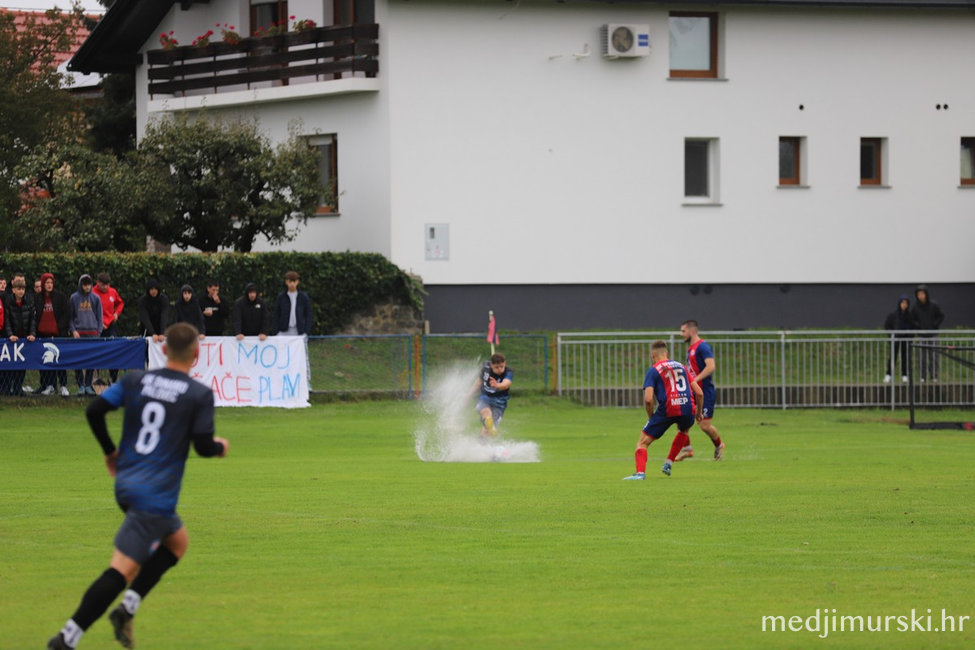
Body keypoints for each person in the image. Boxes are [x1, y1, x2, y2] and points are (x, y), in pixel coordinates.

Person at [46, 323, 229, 650]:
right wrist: (219, 447)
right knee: (122, 569)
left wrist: (110, 452)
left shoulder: (136, 380)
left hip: (127, 481)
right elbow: (203, 446)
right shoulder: (198, 394)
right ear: (197, 353)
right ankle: (66, 638)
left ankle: (127, 609)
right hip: (153, 494)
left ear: (164, 349)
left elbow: (95, 410)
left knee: (177, 542)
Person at [623, 340, 703, 480]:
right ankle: (668, 463)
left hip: (668, 408)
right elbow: (699, 393)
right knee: (684, 430)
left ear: (652, 355)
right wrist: (699, 412)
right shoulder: (682, 367)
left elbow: (648, 399)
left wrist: (651, 417)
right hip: (688, 407)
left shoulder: (653, 370)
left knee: (642, 443)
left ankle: (640, 473)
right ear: (667, 353)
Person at [674, 320, 725, 461]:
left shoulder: (702, 347)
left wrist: (695, 380)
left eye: (683, 331)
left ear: (692, 331)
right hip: (692, 392)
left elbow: (711, 366)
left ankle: (719, 445)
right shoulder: (691, 348)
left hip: (705, 392)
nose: (681, 334)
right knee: (680, 416)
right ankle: (687, 449)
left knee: (704, 425)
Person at [37, 272, 72, 396]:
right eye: (47, 282)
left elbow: (66, 313)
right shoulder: (38, 298)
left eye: (51, 282)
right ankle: (50, 385)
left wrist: (59, 326)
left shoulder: (60, 296)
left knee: (60, 360)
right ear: (43, 284)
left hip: (58, 335)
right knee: (47, 361)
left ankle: (63, 385)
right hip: (43, 335)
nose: (49, 285)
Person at [2, 278, 37, 395]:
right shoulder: (8, 302)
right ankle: (6, 388)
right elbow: (7, 321)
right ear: (13, 290)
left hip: (24, 339)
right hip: (12, 339)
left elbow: (33, 320)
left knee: (22, 365)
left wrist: (32, 334)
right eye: (18, 289)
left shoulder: (29, 302)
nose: (21, 291)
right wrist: (10, 335)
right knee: (9, 364)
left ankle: (18, 387)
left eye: (22, 289)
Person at [70, 274, 103, 396]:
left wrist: (98, 332)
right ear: (81, 285)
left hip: (93, 334)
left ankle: (88, 385)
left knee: (91, 360)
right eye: (84, 285)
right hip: (79, 334)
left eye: (89, 284)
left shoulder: (96, 298)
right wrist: (73, 330)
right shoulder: (74, 298)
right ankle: (80, 385)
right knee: (78, 360)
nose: (87, 287)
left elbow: (100, 317)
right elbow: (70, 317)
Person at [469, 353, 513, 436]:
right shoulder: (486, 368)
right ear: (491, 365)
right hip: (485, 397)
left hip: (500, 403)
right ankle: (488, 420)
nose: (500, 369)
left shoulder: (508, 372)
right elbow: (479, 382)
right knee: (486, 413)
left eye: (502, 366)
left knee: (487, 431)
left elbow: (506, 384)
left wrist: (497, 385)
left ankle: (481, 441)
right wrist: (468, 395)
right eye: (496, 367)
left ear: (505, 363)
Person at [93, 272, 125, 384]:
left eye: (107, 285)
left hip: (110, 325)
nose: (105, 287)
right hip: (96, 326)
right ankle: (95, 378)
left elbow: (120, 303)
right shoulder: (92, 293)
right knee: (96, 351)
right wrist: (98, 323)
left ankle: (113, 378)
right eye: (103, 285)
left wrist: (116, 313)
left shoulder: (113, 291)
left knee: (114, 349)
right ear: (97, 283)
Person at [910, 284, 945, 382]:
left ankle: (934, 376)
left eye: (922, 294)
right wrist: (918, 326)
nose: (920, 296)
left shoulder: (934, 305)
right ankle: (923, 376)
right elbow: (912, 319)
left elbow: (941, 316)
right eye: (918, 294)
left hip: (933, 335)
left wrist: (935, 325)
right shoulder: (915, 307)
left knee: (934, 356)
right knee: (922, 358)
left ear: (926, 294)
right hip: (921, 335)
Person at [883, 295, 913, 383]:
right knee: (893, 357)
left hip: (906, 339)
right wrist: (891, 335)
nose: (904, 305)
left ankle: (904, 374)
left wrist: (910, 336)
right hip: (895, 339)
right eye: (902, 303)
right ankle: (889, 374)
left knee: (905, 357)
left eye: (906, 303)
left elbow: (913, 326)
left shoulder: (910, 316)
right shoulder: (893, 315)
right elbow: (887, 326)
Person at [273, 270, 313, 336]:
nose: (292, 284)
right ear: (286, 282)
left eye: (294, 281)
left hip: (299, 331)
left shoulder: (303, 297)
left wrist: (306, 331)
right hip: (283, 331)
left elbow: (308, 314)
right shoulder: (281, 297)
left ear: (297, 282)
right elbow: (276, 314)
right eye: (289, 281)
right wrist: (276, 331)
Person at [137, 279, 170, 343]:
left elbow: (164, 316)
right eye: (151, 289)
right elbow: (145, 317)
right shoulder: (142, 301)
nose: (153, 291)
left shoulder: (164, 299)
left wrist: (162, 332)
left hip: (160, 328)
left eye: (155, 289)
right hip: (146, 329)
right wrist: (153, 333)